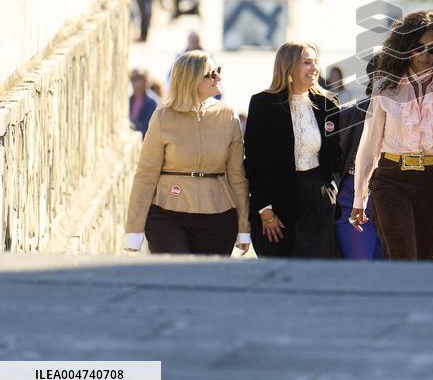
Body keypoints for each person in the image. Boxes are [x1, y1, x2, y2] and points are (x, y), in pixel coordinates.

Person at [349, 11, 433, 261]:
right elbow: (369, 143)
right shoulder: (385, 85)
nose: (426, 55)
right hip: (391, 180)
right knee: (403, 258)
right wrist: (359, 195)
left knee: (427, 260)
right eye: (419, 47)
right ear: (405, 45)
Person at [123, 52, 250, 255]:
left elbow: (237, 176)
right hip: (167, 215)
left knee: (205, 284)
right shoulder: (163, 117)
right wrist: (134, 230)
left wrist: (244, 227)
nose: (218, 77)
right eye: (211, 74)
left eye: (218, 71)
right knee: (173, 277)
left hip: (218, 216)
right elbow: (145, 175)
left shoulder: (228, 116)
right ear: (191, 79)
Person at [244, 42, 342, 258]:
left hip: (318, 199)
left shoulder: (328, 104)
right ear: (288, 66)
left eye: (315, 61)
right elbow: (253, 161)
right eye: (306, 62)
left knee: (316, 273)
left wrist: (331, 191)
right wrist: (265, 210)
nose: (314, 68)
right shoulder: (263, 104)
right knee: (281, 273)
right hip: (275, 204)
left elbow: (336, 156)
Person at [336, 54, 383, 260]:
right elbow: (336, 161)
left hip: (394, 198)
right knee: (361, 266)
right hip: (352, 197)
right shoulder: (349, 114)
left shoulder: (411, 113)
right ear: (374, 77)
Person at [128, 68, 161, 138]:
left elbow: (147, 127)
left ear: (145, 80)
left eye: (138, 78)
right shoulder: (129, 100)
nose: (135, 82)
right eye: (132, 79)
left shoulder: (153, 103)